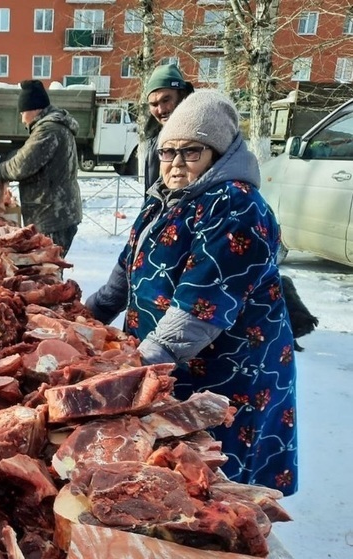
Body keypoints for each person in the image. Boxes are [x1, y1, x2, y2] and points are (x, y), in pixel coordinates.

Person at [85, 90, 298, 495]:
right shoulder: (163, 200)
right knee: (169, 472)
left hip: (226, 370)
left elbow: (201, 308)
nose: (177, 164)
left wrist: (134, 367)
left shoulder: (237, 205)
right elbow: (123, 276)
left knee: (215, 482)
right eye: (168, 152)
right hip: (166, 362)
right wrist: (81, 322)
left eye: (191, 152)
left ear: (218, 153)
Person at [0, 79, 82, 257]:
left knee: (48, 270)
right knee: (47, 268)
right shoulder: (52, 127)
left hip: (53, 216)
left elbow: (24, 163)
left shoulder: (48, 130)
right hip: (55, 212)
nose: (22, 119)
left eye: (22, 113)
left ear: (34, 109)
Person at [143, 64, 194, 195]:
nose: (161, 110)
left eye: (166, 100)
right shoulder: (154, 139)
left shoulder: (202, 135)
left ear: (182, 95)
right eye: (154, 104)